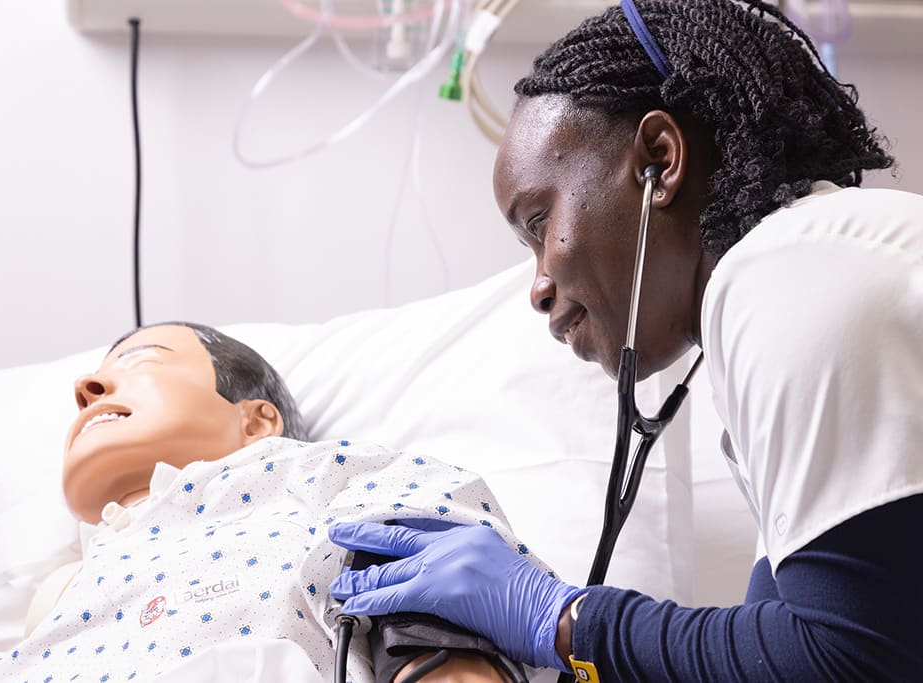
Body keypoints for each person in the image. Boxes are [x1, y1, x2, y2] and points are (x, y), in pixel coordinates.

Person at [328, 0, 923, 680]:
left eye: (540, 219)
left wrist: (560, 619)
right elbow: (789, 645)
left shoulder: (793, 275)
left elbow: (848, 660)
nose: (538, 288)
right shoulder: (796, 284)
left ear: (659, 161)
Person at [0, 322, 529, 683]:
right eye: (92, 380)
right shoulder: (55, 592)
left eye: (137, 362)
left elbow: (430, 529)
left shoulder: (307, 476)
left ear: (257, 421)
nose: (86, 389)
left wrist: (438, 660)